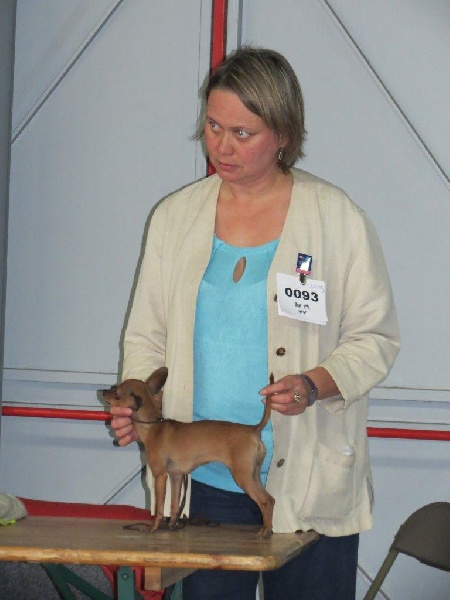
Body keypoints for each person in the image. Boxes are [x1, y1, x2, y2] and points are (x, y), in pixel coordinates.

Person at [110, 47, 400, 600]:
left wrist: (313, 384)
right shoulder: (173, 218)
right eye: (213, 126)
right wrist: (138, 405)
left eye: (242, 133)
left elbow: (375, 338)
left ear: (284, 134)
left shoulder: (337, 218)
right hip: (203, 482)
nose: (221, 146)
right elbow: (146, 336)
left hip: (309, 477)